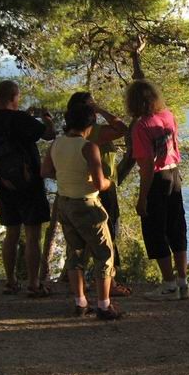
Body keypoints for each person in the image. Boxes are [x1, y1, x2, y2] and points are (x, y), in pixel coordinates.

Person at [40, 101, 122, 320]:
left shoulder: (56, 144)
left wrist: (66, 178)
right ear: (90, 123)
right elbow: (98, 183)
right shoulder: (88, 147)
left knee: (74, 253)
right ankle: (104, 305)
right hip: (87, 204)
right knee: (104, 253)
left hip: (65, 203)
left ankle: (80, 302)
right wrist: (109, 183)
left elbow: (45, 170)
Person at [0, 80, 55, 297]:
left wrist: (26, 117)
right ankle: (33, 283)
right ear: (15, 96)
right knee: (33, 235)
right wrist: (46, 119)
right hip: (30, 183)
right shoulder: (21, 120)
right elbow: (49, 134)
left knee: (11, 233)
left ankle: (10, 281)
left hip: (4, 184)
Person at [126, 79, 189, 301]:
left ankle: (169, 285)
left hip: (157, 179)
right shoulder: (168, 116)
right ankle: (183, 283)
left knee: (156, 230)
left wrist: (142, 198)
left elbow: (146, 167)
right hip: (174, 175)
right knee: (176, 227)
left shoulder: (141, 126)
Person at [65, 91, 132, 298]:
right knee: (108, 235)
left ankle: (80, 284)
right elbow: (123, 129)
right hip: (102, 187)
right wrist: (101, 110)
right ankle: (108, 284)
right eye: (90, 106)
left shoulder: (68, 135)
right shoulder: (95, 132)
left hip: (78, 189)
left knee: (79, 241)